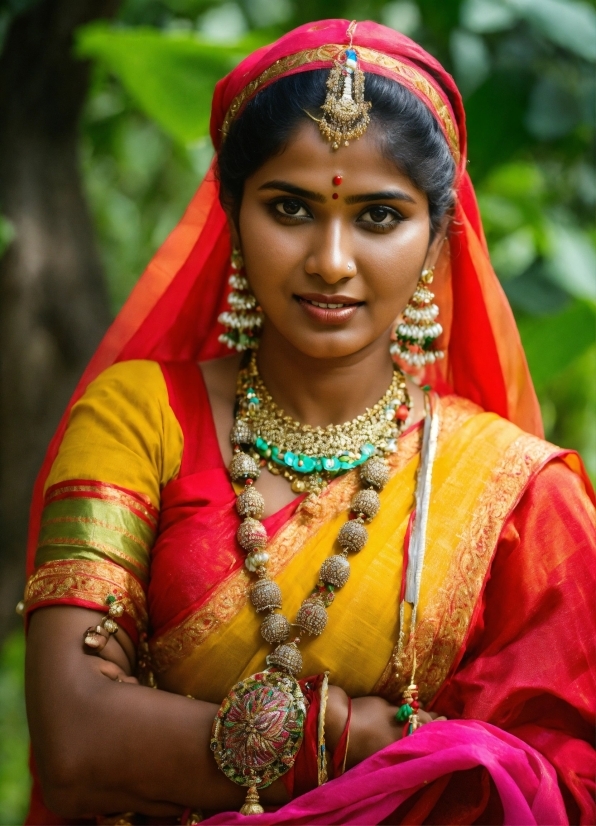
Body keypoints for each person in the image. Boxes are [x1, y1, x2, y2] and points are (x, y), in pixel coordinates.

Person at [22, 18, 595, 826]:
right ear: (233, 215)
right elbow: (77, 742)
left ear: (437, 241)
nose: (331, 259)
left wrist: (184, 738)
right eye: (290, 208)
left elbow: (548, 786)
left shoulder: (519, 497)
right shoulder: (138, 415)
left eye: (379, 217)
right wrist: (356, 741)